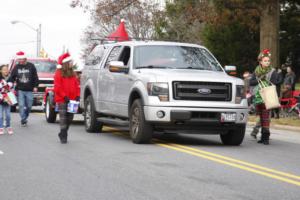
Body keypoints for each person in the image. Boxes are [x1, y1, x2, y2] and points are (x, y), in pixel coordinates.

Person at [249, 49, 281, 145]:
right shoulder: (257, 71)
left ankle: (266, 137)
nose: (267, 62)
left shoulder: (272, 71)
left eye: (268, 61)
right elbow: (251, 82)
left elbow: (275, 82)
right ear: (260, 62)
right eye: (265, 61)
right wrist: (259, 78)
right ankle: (262, 137)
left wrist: (265, 79)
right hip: (258, 97)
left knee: (266, 117)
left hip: (268, 96)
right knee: (262, 118)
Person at [54, 53, 80, 144]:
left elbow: (77, 85)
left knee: (70, 117)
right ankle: (64, 135)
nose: (72, 63)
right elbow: (57, 87)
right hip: (62, 99)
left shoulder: (73, 73)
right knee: (63, 117)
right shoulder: (58, 73)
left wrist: (77, 95)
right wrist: (64, 96)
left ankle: (62, 132)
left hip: (72, 99)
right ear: (66, 63)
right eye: (70, 62)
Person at [9, 51, 39, 127]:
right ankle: (23, 120)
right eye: (19, 59)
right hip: (20, 89)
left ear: (25, 58)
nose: (21, 61)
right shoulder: (16, 67)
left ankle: (25, 116)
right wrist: (10, 84)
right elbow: (12, 77)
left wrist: (35, 86)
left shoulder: (31, 66)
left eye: (22, 59)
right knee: (21, 105)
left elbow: (35, 77)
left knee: (29, 106)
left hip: (29, 89)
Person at [0, 65, 14, 134]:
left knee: (8, 115)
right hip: (0, 98)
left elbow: (10, 86)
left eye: (7, 69)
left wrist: (4, 85)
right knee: (0, 115)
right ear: (1, 71)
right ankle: (1, 127)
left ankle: (8, 126)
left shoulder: (10, 78)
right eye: (4, 69)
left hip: (8, 97)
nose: (6, 70)